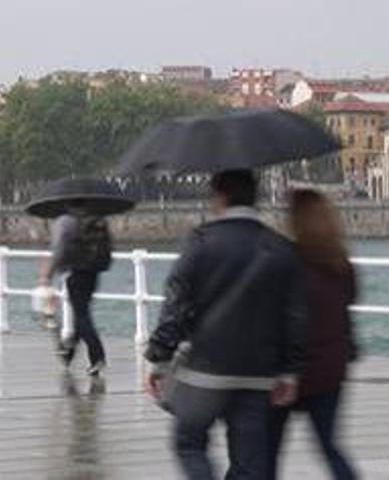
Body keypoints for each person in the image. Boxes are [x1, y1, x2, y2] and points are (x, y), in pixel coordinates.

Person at [143, 169, 308, 480]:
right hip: (259, 374)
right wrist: (290, 370)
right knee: (249, 464)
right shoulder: (281, 248)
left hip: (206, 371)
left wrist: (159, 358)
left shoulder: (200, 242)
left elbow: (175, 305)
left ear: (219, 196)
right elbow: (296, 315)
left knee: (189, 443)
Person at [267, 189, 359, 480]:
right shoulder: (341, 263)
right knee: (329, 447)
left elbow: (280, 315)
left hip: (290, 369)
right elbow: (348, 302)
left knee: (268, 450)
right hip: (331, 368)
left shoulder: (286, 262)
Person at [39, 204, 113, 376]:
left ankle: (97, 356)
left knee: (81, 315)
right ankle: (69, 351)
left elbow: (59, 250)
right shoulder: (95, 218)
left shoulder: (64, 221)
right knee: (81, 312)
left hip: (75, 272)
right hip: (93, 272)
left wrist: (47, 275)